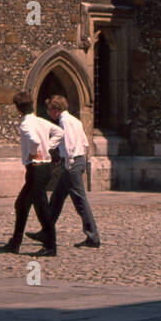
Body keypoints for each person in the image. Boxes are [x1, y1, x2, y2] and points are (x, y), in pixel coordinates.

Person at [0, 91, 63, 256]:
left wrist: (35, 153)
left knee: (41, 208)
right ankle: (15, 242)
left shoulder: (26, 124)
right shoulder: (40, 121)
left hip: (36, 168)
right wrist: (48, 146)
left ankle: (50, 245)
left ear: (18, 109)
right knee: (21, 204)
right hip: (43, 168)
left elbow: (34, 141)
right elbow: (59, 132)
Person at [42, 94, 101, 249]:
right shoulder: (76, 120)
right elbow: (85, 143)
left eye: (49, 110)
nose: (48, 113)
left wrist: (68, 164)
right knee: (56, 198)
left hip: (71, 163)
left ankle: (93, 236)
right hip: (77, 161)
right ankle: (46, 230)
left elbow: (68, 146)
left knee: (80, 201)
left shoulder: (64, 122)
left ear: (56, 109)